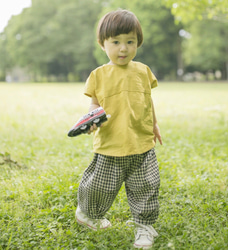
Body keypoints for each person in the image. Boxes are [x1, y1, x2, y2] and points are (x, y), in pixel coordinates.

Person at [75, 9, 162, 249]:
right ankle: (87, 213)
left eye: (130, 42)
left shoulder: (143, 71)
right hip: (110, 144)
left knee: (146, 186)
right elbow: (94, 105)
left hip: (141, 143)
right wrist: (92, 122)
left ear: (138, 43)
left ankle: (144, 226)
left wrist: (154, 125)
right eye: (116, 42)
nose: (123, 48)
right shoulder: (98, 75)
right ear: (103, 44)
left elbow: (148, 100)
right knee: (99, 186)